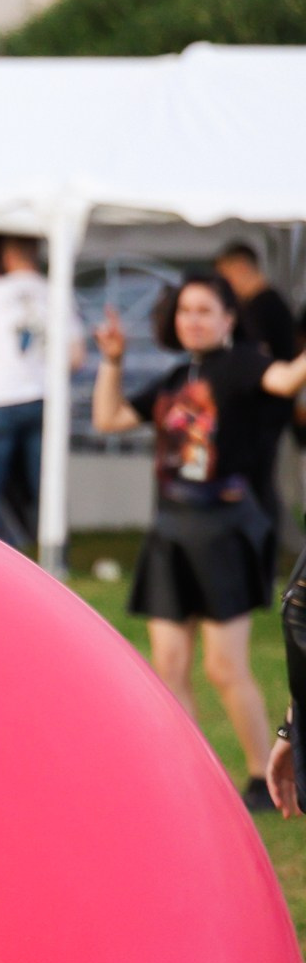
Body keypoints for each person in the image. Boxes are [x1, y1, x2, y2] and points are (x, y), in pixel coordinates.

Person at [93, 273, 306, 814]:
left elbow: (284, 381)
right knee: (168, 663)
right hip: (170, 533)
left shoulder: (242, 365)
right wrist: (113, 360)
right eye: (186, 310)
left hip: (225, 533)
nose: (193, 319)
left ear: (228, 319)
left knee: (223, 666)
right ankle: (193, 779)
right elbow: (109, 417)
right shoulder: (172, 377)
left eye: (206, 310)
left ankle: (263, 776)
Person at [0, 235, 85, 542]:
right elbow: (76, 356)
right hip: (43, 397)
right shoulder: (55, 292)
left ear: (7, 256)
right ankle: (53, 552)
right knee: (46, 483)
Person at [216, 240, 298, 531]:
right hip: (270, 409)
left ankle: (260, 542)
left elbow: (259, 359)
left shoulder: (261, 307)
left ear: (240, 269)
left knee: (256, 482)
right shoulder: (269, 304)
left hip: (265, 410)